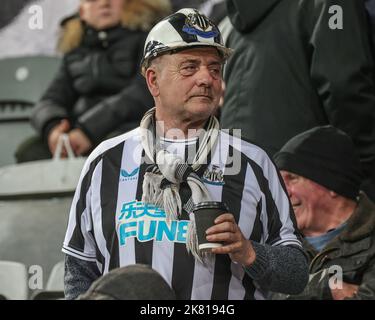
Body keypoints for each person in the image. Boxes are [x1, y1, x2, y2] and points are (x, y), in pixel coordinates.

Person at [62, 8, 308, 300]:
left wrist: (249, 251)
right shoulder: (106, 161)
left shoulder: (254, 162)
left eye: (214, 69)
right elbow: (79, 271)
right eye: (190, 67)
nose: (206, 79)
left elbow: (297, 274)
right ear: (153, 80)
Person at [221, 0, 375, 201]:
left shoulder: (232, 25)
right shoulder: (333, 4)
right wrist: (366, 165)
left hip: (238, 179)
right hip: (304, 183)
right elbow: (343, 83)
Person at [15, 0, 171, 162]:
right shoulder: (74, 52)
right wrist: (54, 129)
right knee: (30, 152)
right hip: (79, 133)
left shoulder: (149, 40)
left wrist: (88, 130)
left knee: (115, 147)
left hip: (130, 127)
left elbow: (142, 91)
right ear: (82, 11)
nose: (104, 3)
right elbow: (49, 100)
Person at [273, 125, 375, 300]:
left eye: (292, 179)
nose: (283, 191)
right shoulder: (275, 241)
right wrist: (328, 288)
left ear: (333, 184)